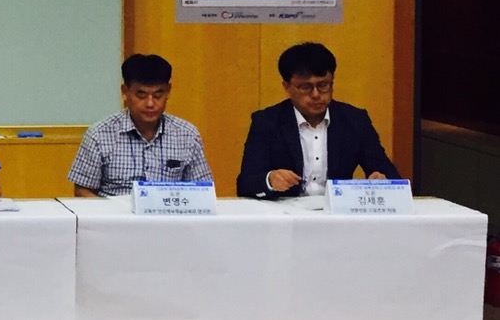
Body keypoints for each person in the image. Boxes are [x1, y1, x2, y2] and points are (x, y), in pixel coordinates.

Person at [236, 41, 400, 199]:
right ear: (286, 87)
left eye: (323, 85)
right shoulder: (267, 122)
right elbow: (245, 184)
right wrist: (270, 180)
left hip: (336, 210)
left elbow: (390, 175)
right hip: (285, 212)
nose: (316, 94)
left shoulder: (354, 120)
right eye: (306, 87)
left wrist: (382, 180)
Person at [68, 53, 213, 197]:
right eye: (141, 95)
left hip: (168, 211)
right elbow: (82, 190)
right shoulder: (99, 134)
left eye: (157, 95)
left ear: (168, 92)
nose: (150, 103)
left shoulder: (187, 135)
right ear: (125, 92)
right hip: (115, 211)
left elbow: (203, 192)